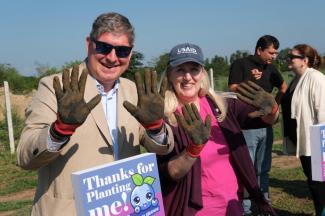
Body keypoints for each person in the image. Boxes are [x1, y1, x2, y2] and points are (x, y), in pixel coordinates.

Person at [16, 12, 174, 216]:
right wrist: (59, 131)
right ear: (89, 44)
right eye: (104, 47)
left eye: (122, 51)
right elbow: (25, 157)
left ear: (131, 53)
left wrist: (156, 128)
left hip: (126, 209)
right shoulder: (57, 88)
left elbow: (162, 148)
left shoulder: (135, 91)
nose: (112, 58)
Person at [157, 42, 279, 216]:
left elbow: (266, 119)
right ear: (170, 74)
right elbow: (170, 173)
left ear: (202, 74)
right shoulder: (165, 117)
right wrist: (193, 149)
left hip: (231, 205)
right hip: (194, 210)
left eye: (194, 69)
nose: (188, 77)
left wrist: (273, 109)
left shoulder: (221, 106)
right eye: (180, 70)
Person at [228, 35, 287, 214]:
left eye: (276, 53)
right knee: (247, 168)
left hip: (266, 126)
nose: (274, 56)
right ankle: (245, 207)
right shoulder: (241, 64)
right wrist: (251, 95)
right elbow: (232, 88)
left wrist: (273, 107)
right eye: (271, 52)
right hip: (246, 127)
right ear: (259, 50)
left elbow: (283, 86)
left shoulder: (271, 68)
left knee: (263, 168)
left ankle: (264, 204)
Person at [281, 44, 325, 216]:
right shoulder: (296, 79)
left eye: (292, 57)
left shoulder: (316, 78)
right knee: (314, 182)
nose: (288, 59)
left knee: (319, 183)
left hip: (316, 141)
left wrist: (320, 148)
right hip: (304, 141)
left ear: (304, 61)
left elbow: (322, 114)